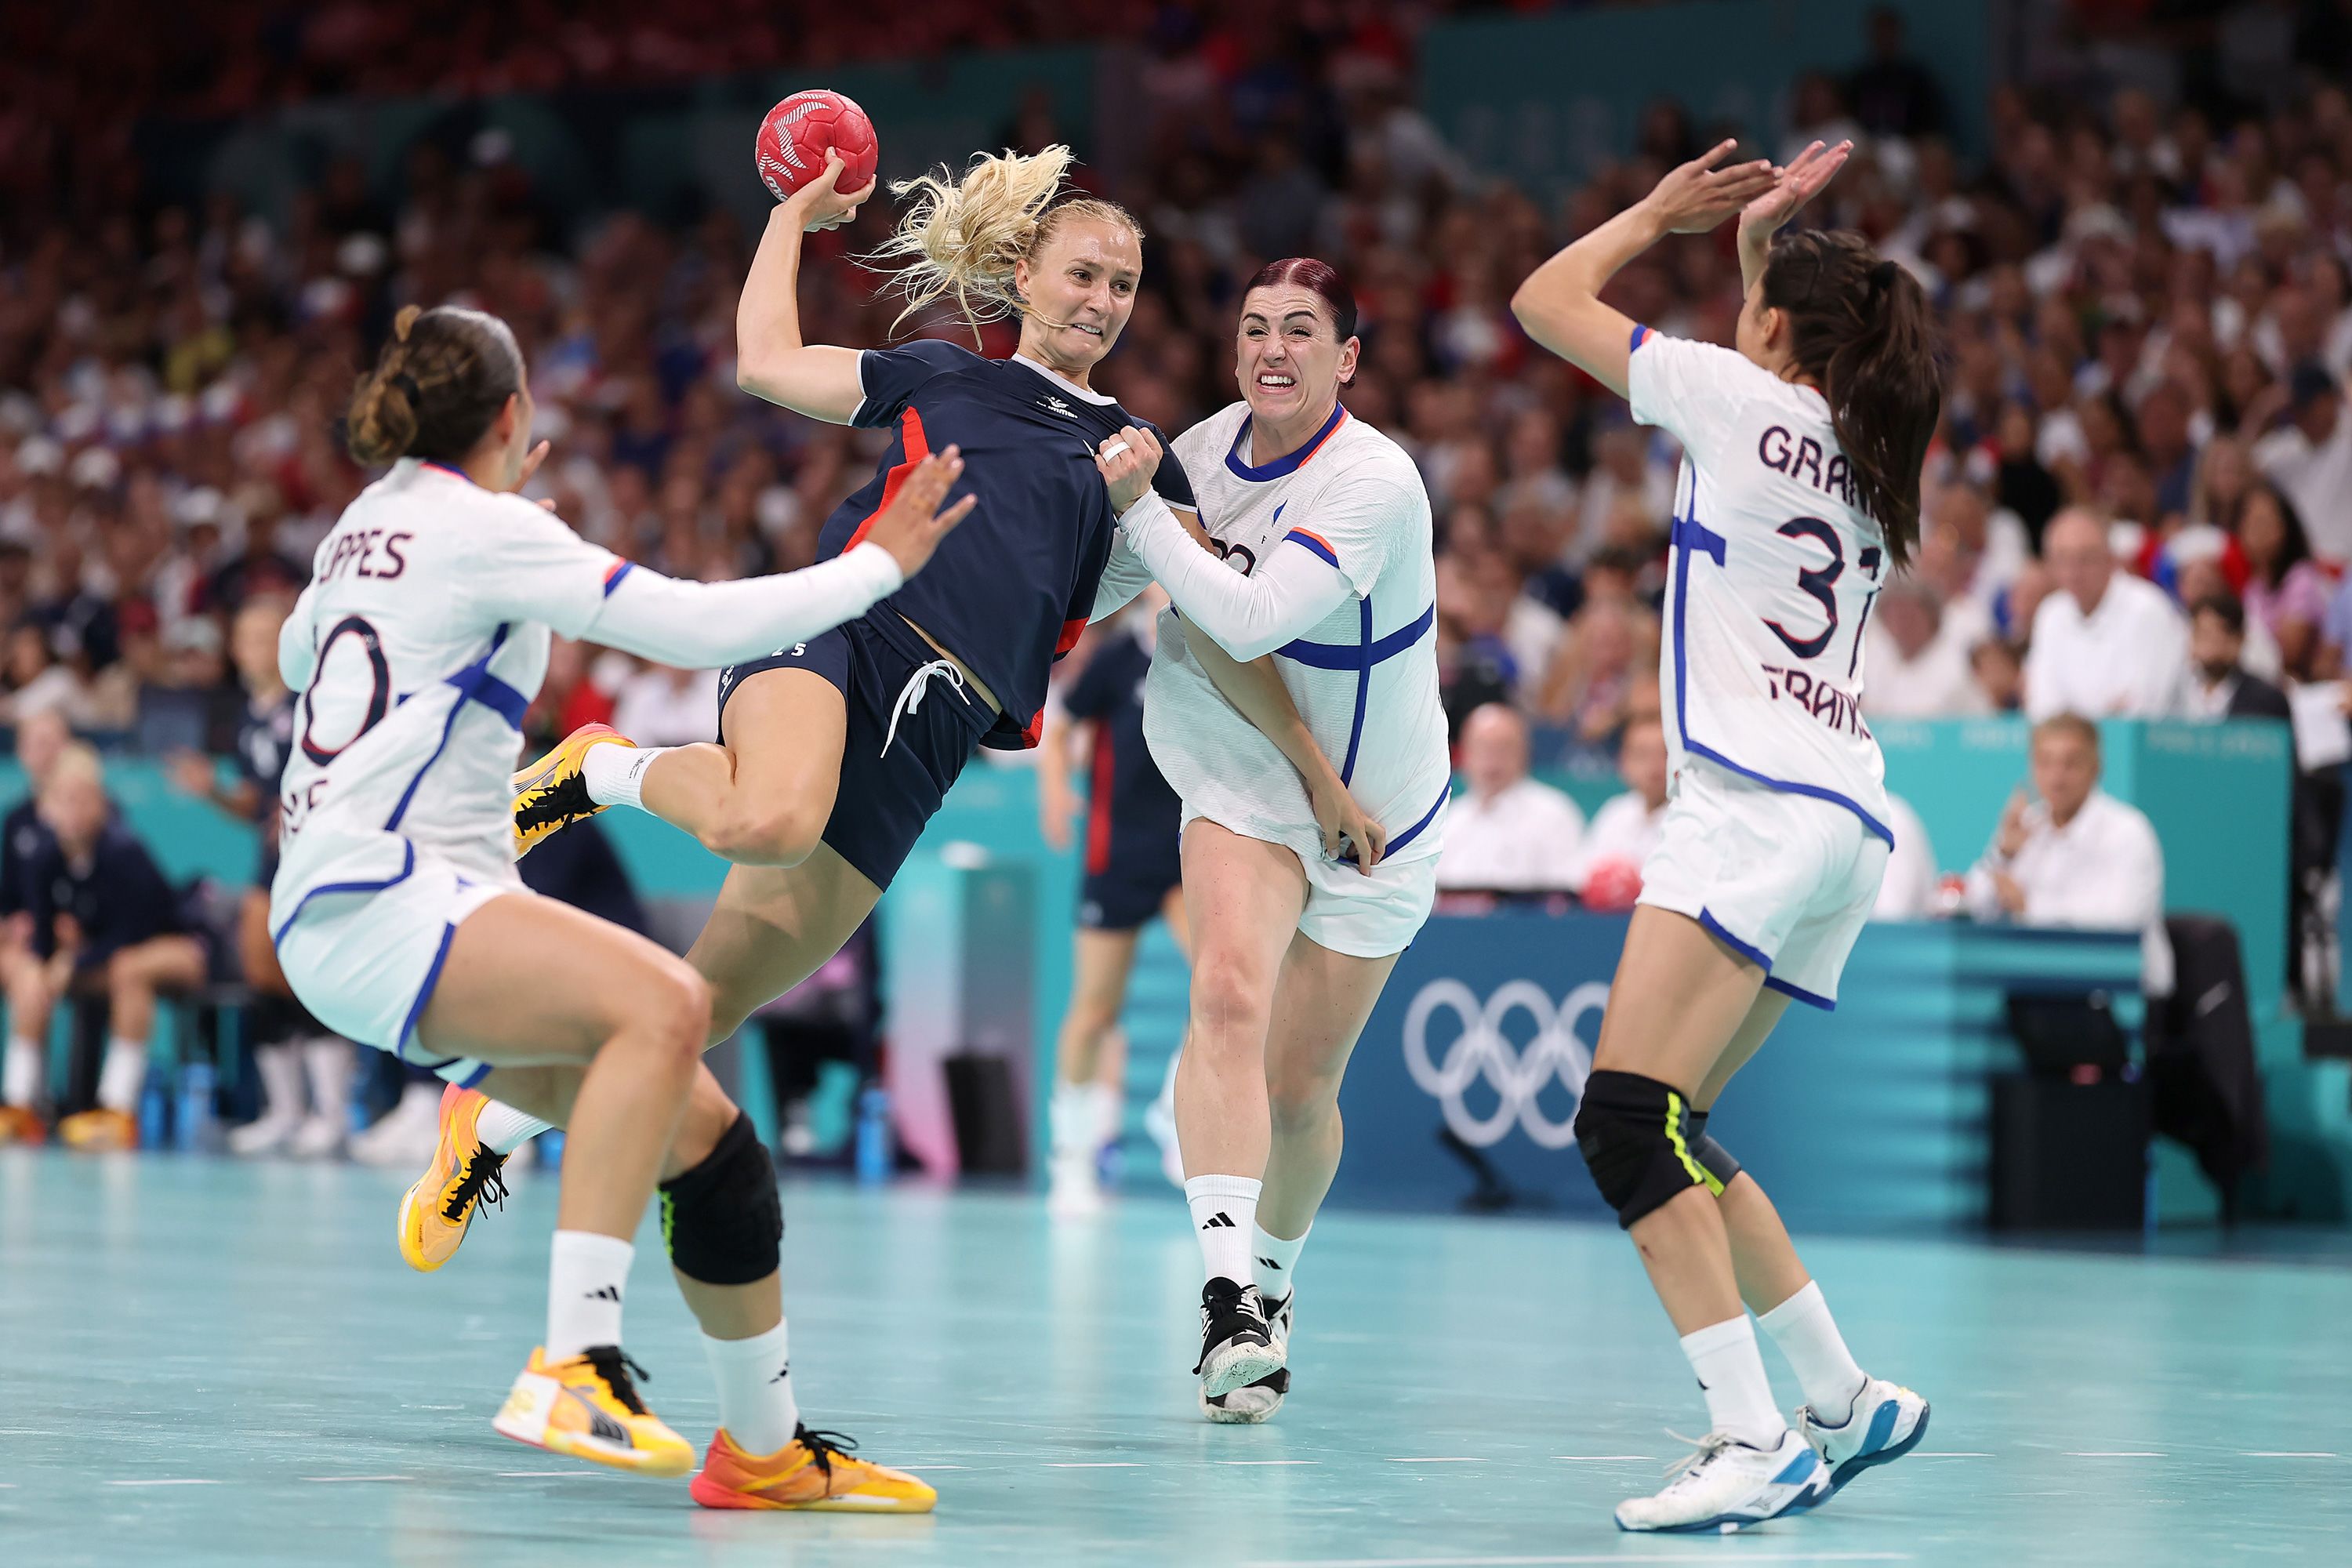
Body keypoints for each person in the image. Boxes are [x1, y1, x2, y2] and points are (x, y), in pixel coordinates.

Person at [433, 145, 1333, 1463]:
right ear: (1023, 274)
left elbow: (1229, 632)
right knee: (767, 817)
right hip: (842, 634)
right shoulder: (947, 375)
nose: (1102, 298)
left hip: (940, 738)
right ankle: (602, 768)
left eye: (1124, 284)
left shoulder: (1135, 459)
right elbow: (761, 361)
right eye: (1083, 271)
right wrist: (792, 217)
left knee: (696, 1012)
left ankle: (492, 1115)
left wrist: (1312, 767)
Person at [270, 301, 961, 1501]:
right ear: (511, 417)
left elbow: (296, 657)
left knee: (715, 1154)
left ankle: (765, 1449)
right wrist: (876, 569)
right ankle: (573, 1359)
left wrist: (496, 562)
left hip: (345, 913)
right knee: (665, 1002)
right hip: (395, 900)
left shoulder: (363, 527)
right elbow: (694, 625)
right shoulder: (484, 533)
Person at [1510, 138, 1935, 1531]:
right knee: (1679, 1124)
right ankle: (1840, 1394)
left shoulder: (1727, 395)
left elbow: (1541, 302)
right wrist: (1762, 255)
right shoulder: (1870, 457)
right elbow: (1780, 348)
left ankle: (1750, 1439)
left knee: (1625, 1126)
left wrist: (1653, 213)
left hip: (1748, 809)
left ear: (1766, 334)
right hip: (1846, 819)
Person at [1091, 255, 1448, 1424]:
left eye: (1301, 329)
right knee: (1229, 997)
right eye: (1253, 329)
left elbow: (1247, 611)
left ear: (1347, 358)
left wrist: (1140, 505)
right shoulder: (1195, 454)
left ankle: (1277, 1285)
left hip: (1383, 803)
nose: (1272, 349)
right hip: (1244, 766)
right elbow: (1127, 602)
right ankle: (1227, 1298)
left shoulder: (1377, 482)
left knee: (1303, 1089)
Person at [166, 597, 355, 1158]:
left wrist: (303, 806)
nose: (251, 647)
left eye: (263, 634)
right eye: (243, 635)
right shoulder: (250, 712)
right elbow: (254, 802)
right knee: (259, 969)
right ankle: (287, 1112)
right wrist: (212, 792)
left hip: (318, 855)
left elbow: (343, 770)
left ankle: (334, 1114)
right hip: (272, 860)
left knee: (311, 974)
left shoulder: (313, 703)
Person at [1036, 599, 1188, 1216]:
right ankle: (1070, 1159)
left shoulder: (1212, 657)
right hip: (1116, 856)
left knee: (1226, 993)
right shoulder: (1116, 662)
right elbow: (1061, 726)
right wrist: (1054, 788)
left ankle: (1176, 1112)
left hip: (1189, 854)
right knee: (1094, 1011)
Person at [22, 743, 209, 1150]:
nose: (73, 810)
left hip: (179, 947)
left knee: (129, 969)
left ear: (101, 804)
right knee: (29, 977)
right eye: (63, 799)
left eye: (83, 799)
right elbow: (41, 936)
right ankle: (21, 1106)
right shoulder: (44, 858)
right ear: (48, 805)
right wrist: (42, 968)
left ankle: (118, 1110)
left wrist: (72, 960)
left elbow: (130, 934)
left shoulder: (124, 852)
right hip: (104, 960)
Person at [1965, 715, 2172, 996]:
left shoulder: (2128, 831)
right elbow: (1972, 907)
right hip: (2040, 985)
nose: (2056, 778)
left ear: (2096, 768)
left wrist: (2030, 907)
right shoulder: (2027, 826)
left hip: (2118, 996)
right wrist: (2003, 854)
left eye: (2070, 764)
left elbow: (2121, 925)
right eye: (2045, 763)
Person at [2023, 507, 2188, 720]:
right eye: (2062, 559)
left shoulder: (2147, 609)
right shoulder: (2050, 613)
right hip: (2074, 748)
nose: (2073, 572)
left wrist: (2079, 722)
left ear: (2110, 558)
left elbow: (2142, 709)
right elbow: (2043, 708)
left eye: (2086, 558)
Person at [0, 709, 69, 1142]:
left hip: (71, 948)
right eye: (33, 743)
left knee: (31, 980)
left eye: (51, 742)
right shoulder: (16, 820)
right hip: (24, 947)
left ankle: (20, 1102)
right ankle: (24, 1101)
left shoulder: (94, 812)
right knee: (24, 972)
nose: (42, 753)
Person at [1436, 702, 1586, 893]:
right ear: (1464, 754)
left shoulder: (1555, 814)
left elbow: (1565, 894)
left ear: (1524, 752)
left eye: (1504, 748)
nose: (1492, 758)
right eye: (1483, 747)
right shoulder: (1447, 820)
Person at [1571, 712, 1670, 909]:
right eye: (1642, 755)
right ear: (1624, 762)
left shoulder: (1693, 817)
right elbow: (1585, 876)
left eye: (1664, 755)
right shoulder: (1614, 813)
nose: (1654, 767)